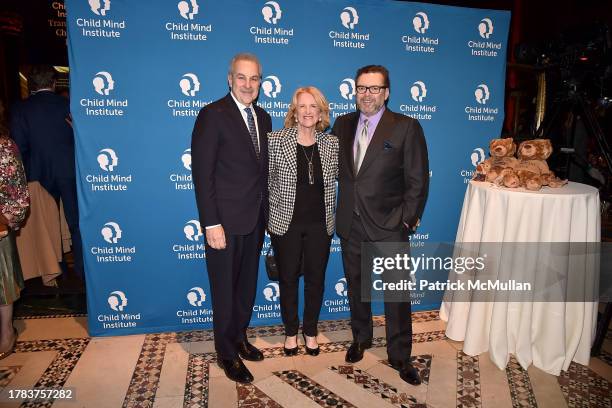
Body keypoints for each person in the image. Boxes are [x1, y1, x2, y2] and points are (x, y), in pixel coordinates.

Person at [332, 65, 429, 385]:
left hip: (389, 224)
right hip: (351, 223)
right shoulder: (342, 124)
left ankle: (400, 356)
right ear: (355, 90)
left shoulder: (405, 127)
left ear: (386, 92)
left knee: (396, 295)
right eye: (362, 88)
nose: (367, 94)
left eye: (374, 88)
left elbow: (417, 181)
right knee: (357, 287)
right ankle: (361, 339)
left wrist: (406, 220)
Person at [191, 53, 272, 384]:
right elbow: (203, 175)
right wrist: (211, 224)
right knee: (224, 290)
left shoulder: (264, 118)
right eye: (242, 78)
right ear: (230, 79)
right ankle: (226, 352)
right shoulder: (212, 115)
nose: (248, 84)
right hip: (223, 223)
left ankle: (239, 337)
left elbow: (262, 173)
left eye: (254, 79)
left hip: (255, 219)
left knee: (246, 287)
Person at [267, 87, 338, 357]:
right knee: (287, 280)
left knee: (316, 281)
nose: (308, 111)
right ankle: (290, 332)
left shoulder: (331, 144)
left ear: (321, 112)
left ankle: (310, 331)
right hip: (286, 224)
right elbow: (264, 183)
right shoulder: (275, 140)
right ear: (294, 112)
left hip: (321, 224)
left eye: (313, 106)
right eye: (302, 106)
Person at [10, 65, 83, 279]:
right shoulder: (69, 105)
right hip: (69, 170)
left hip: (38, 174)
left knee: (45, 224)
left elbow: (19, 147)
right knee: (75, 223)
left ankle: (53, 268)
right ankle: (82, 269)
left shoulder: (20, 109)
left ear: (32, 84)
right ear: (53, 83)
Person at [0, 121, 29, 359]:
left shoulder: (6, 148)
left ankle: (6, 331)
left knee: (3, 281)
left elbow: (18, 191)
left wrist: (7, 218)